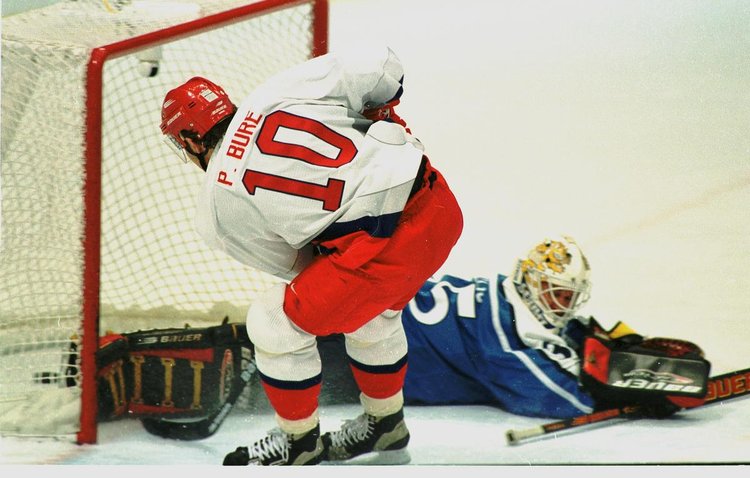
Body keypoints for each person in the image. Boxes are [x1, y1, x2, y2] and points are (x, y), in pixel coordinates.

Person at [159, 45, 463, 466]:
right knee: (373, 313)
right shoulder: (273, 93)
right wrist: (385, 119)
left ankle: (299, 443)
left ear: (190, 139)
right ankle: (386, 425)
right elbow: (381, 64)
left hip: (382, 255)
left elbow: (299, 266)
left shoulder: (216, 207)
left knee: (272, 321)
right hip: (440, 208)